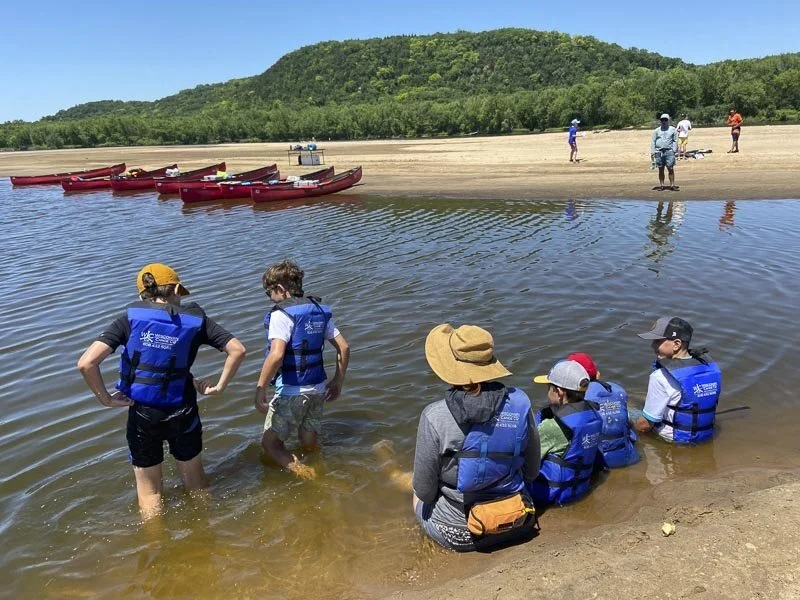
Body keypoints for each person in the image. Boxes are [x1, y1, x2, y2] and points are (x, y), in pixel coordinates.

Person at [77, 263, 246, 519]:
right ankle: (205, 535)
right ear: (176, 289)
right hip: (184, 409)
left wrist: (106, 400)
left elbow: (86, 363)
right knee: (196, 482)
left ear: (142, 294)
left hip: (143, 413)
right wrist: (219, 386)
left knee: (150, 493)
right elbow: (238, 349)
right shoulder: (196, 321)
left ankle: (156, 546)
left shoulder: (128, 319)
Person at [413, 324, 540, 552]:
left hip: (461, 533)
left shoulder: (434, 416)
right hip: (518, 521)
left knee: (416, 495)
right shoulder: (521, 403)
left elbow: (425, 492)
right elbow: (531, 471)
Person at [254, 259, 350, 479]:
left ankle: (308, 475)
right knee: (308, 440)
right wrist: (338, 380)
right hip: (317, 387)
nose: (269, 298)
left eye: (268, 293)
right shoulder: (318, 310)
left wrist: (260, 388)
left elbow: (276, 355)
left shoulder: (281, 314)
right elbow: (343, 347)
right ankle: (323, 469)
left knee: (270, 445)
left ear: (279, 288)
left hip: (292, 390)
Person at [631, 316, 722, 443]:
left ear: (676, 344)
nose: (652, 346)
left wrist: (629, 430)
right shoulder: (710, 368)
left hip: (672, 438)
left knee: (628, 410)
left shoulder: (660, 376)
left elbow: (645, 425)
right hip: (705, 436)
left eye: (657, 341)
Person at [528, 360, 603, 507]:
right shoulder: (594, 416)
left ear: (559, 392)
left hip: (552, 495)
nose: (547, 392)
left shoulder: (553, 427)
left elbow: (525, 462)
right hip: (581, 489)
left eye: (549, 387)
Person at [566, 353, 640, 468]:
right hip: (629, 456)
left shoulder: (576, 397)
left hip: (598, 463)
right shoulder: (617, 389)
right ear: (597, 374)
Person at [651, 113, 679, 191]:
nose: (664, 121)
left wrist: (674, 150)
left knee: (670, 168)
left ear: (668, 120)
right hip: (658, 151)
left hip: (669, 151)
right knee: (660, 168)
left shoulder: (673, 129)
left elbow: (675, 140)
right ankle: (662, 185)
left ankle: (672, 185)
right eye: (662, 120)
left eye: (665, 120)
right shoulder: (656, 130)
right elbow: (653, 141)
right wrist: (652, 152)